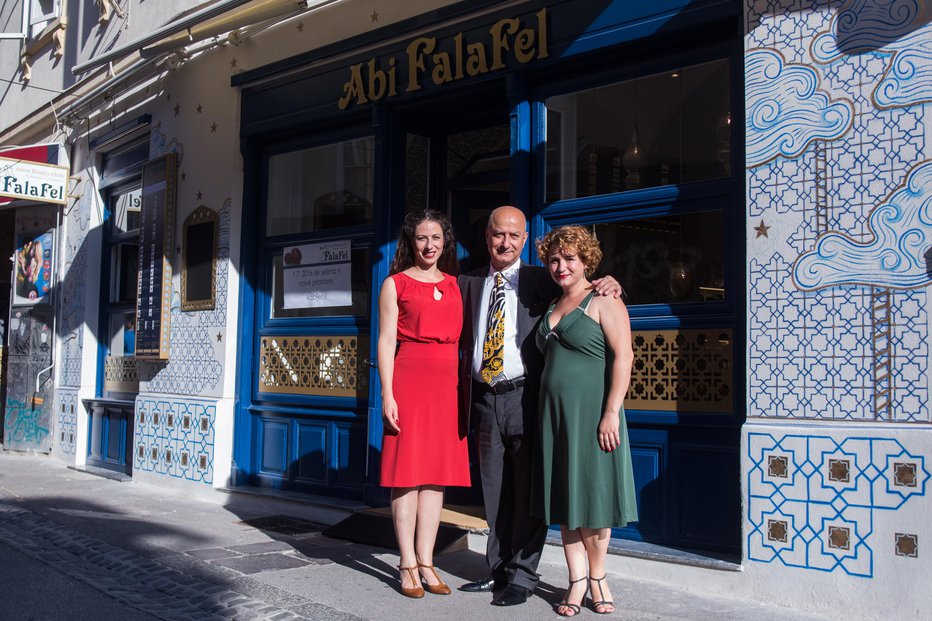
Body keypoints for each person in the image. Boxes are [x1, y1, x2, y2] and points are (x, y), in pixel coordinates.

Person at [457, 207, 621, 606]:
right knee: (494, 491)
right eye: (498, 234)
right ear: (487, 237)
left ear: (525, 240)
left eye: (514, 236)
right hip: (483, 399)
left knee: (529, 490)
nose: (505, 242)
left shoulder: (541, 278)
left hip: (527, 398)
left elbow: (580, 288)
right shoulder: (467, 281)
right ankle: (497, 571)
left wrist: (611, 281)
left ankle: (524, 575)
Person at [533, 225, 638, 617]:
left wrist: (611, 412)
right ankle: (575, 580)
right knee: (566, 501)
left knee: (593, 503)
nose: (562, 266)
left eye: (570, 259)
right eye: (555, 259)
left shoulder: (604, 299)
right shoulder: (553, 303)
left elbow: (624, 358)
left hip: (594, 414)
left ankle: (598, 578)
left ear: (587, 261)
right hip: (555, 418)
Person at [378, 209, 470, 599]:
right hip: (409, 379)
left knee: (435, 478)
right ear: (410, 242)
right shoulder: (395, 284)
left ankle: (428, 560)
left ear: (445, 241)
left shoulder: (457, 284)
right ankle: (406, 563)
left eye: (436, 238)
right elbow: (385, 341)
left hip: (448, 385)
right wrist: (387, 393)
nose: (429, 245)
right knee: (406, 475)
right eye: (421, 238)